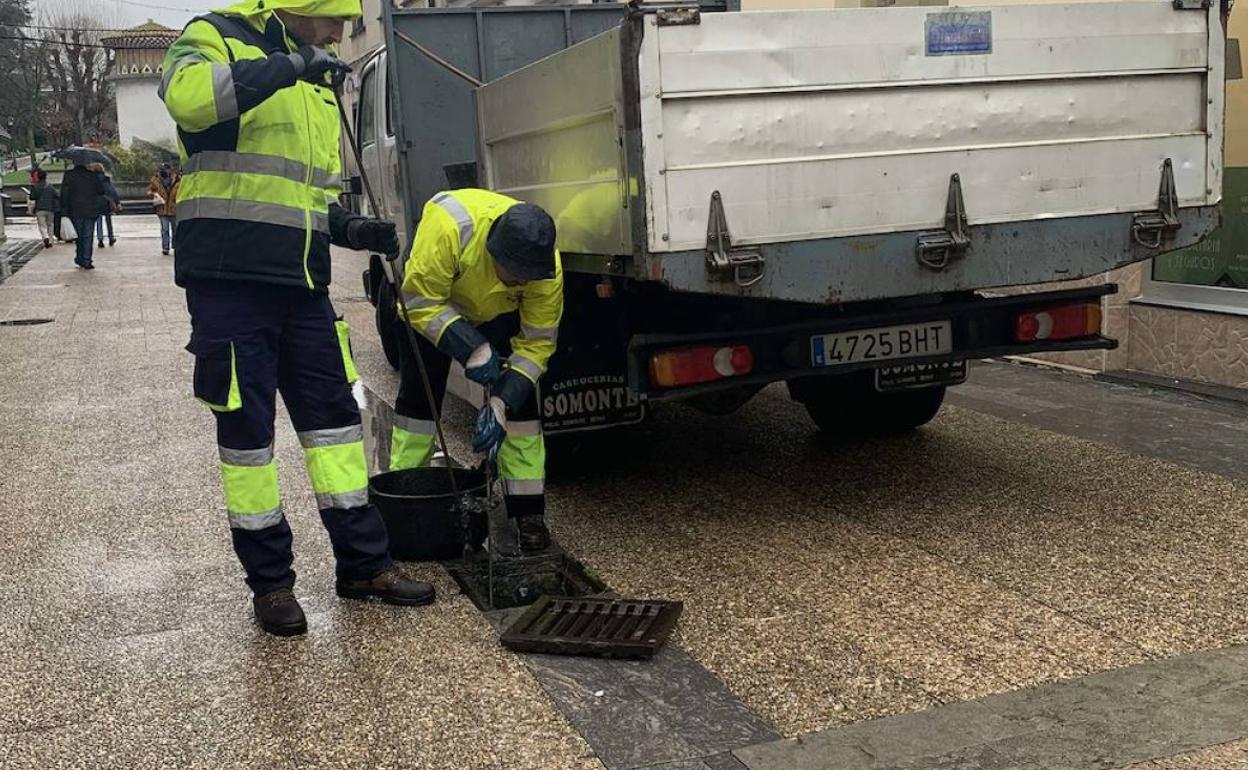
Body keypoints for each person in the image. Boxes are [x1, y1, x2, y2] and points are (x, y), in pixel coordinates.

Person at [161, 0, 432, 636]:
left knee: (336, 425)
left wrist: (349, 225)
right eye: (334, 22)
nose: (340, 36)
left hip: (303, 283)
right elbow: (191, 102)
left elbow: (302, 196)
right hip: (230, 281)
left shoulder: (313, 81)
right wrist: (288, 65)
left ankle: (364, 565)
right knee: (249, 440)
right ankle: (272, 585)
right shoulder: (213, 37)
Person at [393, 189, 563, 553]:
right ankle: (408, 492)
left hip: (495, 314)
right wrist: (472, 348)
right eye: (515, 275)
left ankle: (528, 513)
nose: (523, 283)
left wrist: (502, 402)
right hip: (434, 308)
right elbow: (419, 301)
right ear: (493, 252)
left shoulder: (544, 269)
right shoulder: (449, 228)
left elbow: (537, 345)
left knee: (523, 413)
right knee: (419, 403)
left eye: (530, 277)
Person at [59, 161, 105, 269]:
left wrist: (64, 209)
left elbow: (64, 193)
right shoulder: (92, 176)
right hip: (91, 209)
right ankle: (87, 259)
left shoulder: (69, 175)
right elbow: (101, 191)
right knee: (88, 235)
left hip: (75, 210)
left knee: (78, 235)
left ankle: (80, 257)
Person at [148, 163, 179, 255]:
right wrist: (153, 194)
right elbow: (149, 190)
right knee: (164, 229)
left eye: (166, 169)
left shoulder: (177, 179)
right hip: (162, 208)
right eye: (162, 169)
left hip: (174, 209)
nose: (164, 171)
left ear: (170, 170)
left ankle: (176, 246)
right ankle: (165, 247)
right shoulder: (155, 180)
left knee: (175, 229)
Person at [90, 162, 121, 248]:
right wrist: (117, 201)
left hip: (96, 202)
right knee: (108, 221)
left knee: (99, 221)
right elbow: (112, 191)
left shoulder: (91, 180)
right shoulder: (106, 179)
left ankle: (100, 239)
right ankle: (111, 237)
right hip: (107, 202)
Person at [28, 169, 59, 249]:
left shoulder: (36, 186)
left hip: (40, 209)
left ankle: (45, 237)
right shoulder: (50, 186)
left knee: (42, 225)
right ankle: (51, 240)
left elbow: (32, 197)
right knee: (50, 224)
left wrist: (32, 186)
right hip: (50, 209)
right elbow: (57, 195)